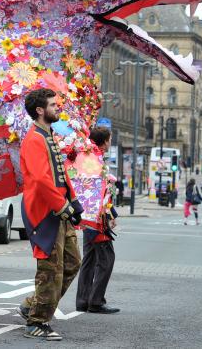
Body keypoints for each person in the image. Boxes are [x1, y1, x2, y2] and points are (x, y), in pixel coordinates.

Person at [15, 88, 82, 341]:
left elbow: (60, 174)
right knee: (50, 269)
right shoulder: (33, 139)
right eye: (53, 105)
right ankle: (37, 321)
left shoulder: (47, 134)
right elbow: (42, 181)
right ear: (40, 110)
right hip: (45, 213)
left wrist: (73, 202)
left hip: (59, 210)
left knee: (73, 262)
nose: (58, 107)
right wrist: (62, 207)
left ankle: (32, 304)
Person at [75, 126, 119, 315]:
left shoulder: (89, 156)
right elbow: (99, 194)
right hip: (96, 218)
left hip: (88, 217)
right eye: (110, 139)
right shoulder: (95, 159)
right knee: (107, 259)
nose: (111, 142)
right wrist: (109, 216)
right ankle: (96, 301)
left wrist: (112, 213)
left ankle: (83, 300)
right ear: (105, 141)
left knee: (90, 258)